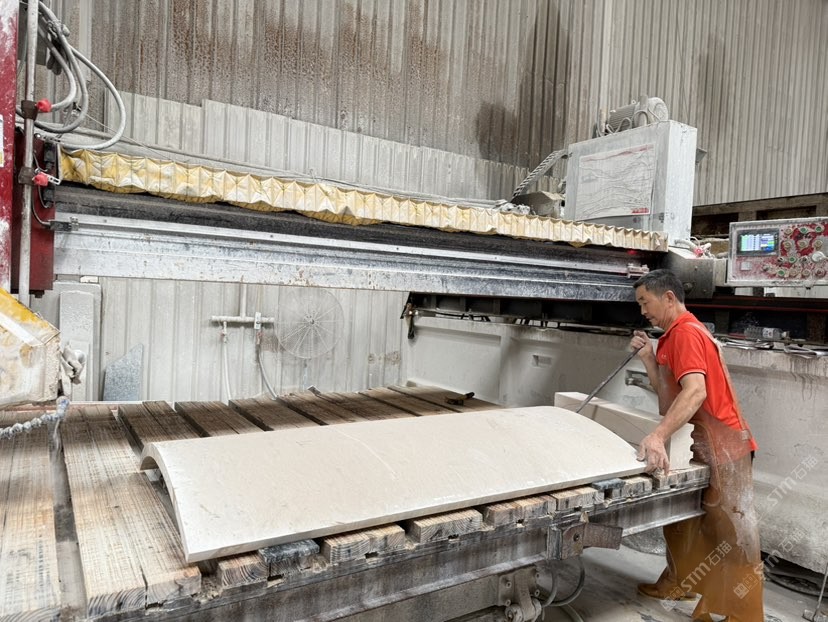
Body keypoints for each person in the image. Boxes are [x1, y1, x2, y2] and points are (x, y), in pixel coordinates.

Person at [629, 269, 764, 622]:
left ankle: (745, 614)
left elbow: (696, 392)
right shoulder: (670, 337)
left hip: (725, 443)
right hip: (697, 441)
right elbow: (669, 398)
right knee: (683, 521)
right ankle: (678, 584)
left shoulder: (687, 333)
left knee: (732, 531)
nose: (642, 310)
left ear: (668, 297)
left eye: (645, 301)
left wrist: (658, 436)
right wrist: (648, 359)